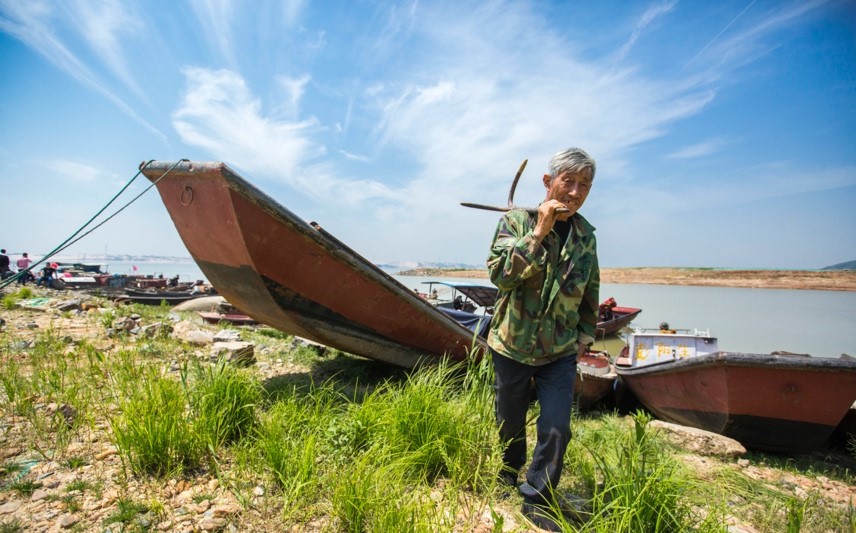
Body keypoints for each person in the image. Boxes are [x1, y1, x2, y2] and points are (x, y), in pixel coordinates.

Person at [486, 147, 599, 531]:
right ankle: (507, 471)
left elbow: (590, 290)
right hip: (512, 343)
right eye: (568, 181)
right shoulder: (517, 221)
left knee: (556, 427)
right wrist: (538, 233)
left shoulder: (585, 236)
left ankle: (537, 497)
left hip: (559, 351)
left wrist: (584, 335)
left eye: (584, 184)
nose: (575, 191)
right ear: (548, 182)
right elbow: (500, 274)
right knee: (509, 420)